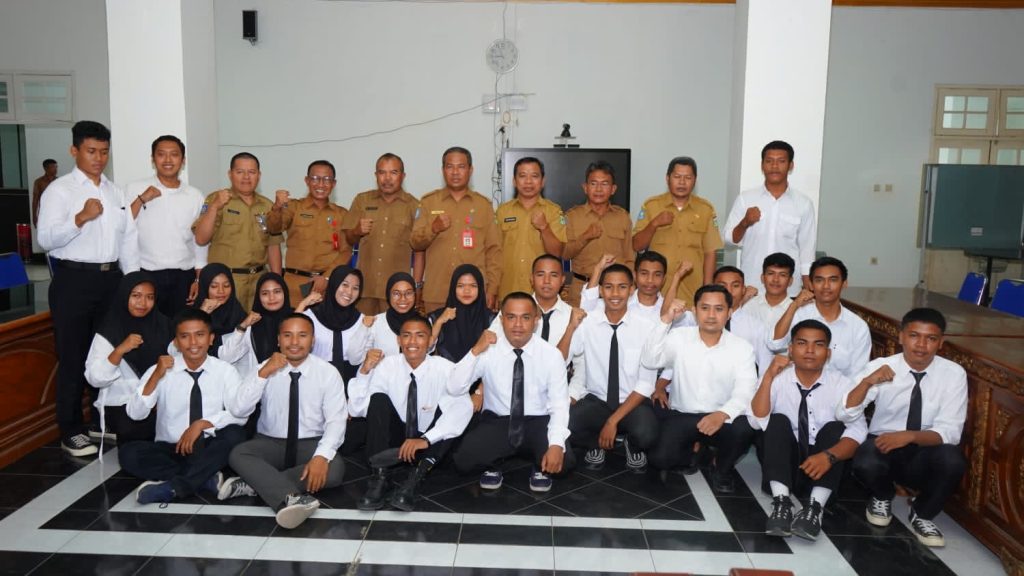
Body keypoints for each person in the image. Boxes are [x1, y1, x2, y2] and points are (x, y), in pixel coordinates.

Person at [38, 120, 140, 457]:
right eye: (91, 151)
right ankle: (70, 430)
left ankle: (100, 421)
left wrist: (133, 282)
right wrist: (79, 218)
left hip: (111, 280)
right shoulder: (60, 190)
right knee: (73, 356)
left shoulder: (115, 191)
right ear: (75, 151)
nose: (98, 158)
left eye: (104, 152)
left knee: (106, 353)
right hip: (74, 280)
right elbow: (45, 239)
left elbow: (128, 239)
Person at [840, 308, 967, 548]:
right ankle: (882, 495)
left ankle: (922, 513)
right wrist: (867, 383)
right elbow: (845, 413)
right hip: (884, 444)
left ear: (941, 342)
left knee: (952, 459)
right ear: (901, 337)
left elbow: (951, 431)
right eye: (914, 335)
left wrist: (910, 436)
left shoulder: (953, 374)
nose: (921, 345)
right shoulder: (882, 366)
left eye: (930, 338)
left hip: (925, 448)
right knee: (865, 460)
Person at [221, 314, 348, 530]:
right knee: (238, 454)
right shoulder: (265, 367)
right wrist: (263, 374)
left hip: (310, 443)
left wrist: (320, 457)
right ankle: (292, 498)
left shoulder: (328, 373)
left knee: (334, 469)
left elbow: (336, 420)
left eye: (302, 335)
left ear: (313, 340)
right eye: (288, 335)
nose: (295, 342)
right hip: (270, 442)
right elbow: (238, 410)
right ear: (278, 340)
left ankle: (257, 483)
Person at [751, 320, 866, 541]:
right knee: (776, 421)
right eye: (802, 343)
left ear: (828, 353)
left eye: (818, 344)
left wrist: (829, 457)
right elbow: (757, 421)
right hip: (783, 466)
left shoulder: (843, 384)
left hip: (824, 469)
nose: (810, 350)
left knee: (836, 427)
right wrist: (767, 378)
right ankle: (782, 503)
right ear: (791, 349)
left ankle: (815, 508)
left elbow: (858, 432)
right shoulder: (777, 377)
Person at [119, 308, 247, 505]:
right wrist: (155, 377)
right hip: (172, 449)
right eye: (185, 336)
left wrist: (201, 424)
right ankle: (204, 478)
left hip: (209, 446)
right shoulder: (160, 369)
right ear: (176, 342)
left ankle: (175, 487)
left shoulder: (225, 371)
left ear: (211, 339)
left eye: (200, 335)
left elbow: (240, 414)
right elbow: (135, 414)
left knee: (234, 435)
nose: (193, 343)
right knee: (128, 454)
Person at [449, 292, 574, 492]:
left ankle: (538, 464)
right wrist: (475, 350)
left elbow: (559, 404)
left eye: (525, 317)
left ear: (536, 320)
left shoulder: (551, 356)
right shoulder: (488, 350)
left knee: (564, 463)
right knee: (463, 461)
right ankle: (494, 463)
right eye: (511, 317)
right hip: (499, 421)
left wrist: (556, 445)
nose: (518, 325)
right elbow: (454, 387)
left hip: (538, 421)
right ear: (501, 320)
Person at [349, 315, 473, 511]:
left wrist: (427, 439)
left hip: (429, 443)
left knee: (451, 411)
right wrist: (364, 372)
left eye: (420, 336)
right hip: (396, 440)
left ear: (430, 340)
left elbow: (463, 409)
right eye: (406, 336)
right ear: (398, 340)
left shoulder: (446, 368)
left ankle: (415, 479)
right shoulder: (387, 365)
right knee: (378, 399)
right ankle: (380, 477)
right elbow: (358, 410)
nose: (412, 342)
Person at [641, 286, 757, 493]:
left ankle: (721, 468)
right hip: (683, 416)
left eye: (719, 309)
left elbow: (746, 391)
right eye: (705, 308)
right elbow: (650, 360)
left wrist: (722, 414)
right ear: (694, 311)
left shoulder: (742, 348)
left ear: (729, 313)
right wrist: (666, 320)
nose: (711, 315)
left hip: (720, 419)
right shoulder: (679, 337)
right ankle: (695, 450)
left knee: (745, 428)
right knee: (660, 459)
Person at [559, 264, 659, 473]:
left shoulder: (647, 327)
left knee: (647, 434)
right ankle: (596, 443)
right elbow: (560, 360)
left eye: (622, 287)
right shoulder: (587, 323)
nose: (615, 294)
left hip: (632, 402)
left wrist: (612, 422)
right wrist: (570, 327)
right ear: (600, 290)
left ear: (631, 290)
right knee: (565, 425)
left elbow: (646, 384)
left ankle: (632, 445)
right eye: (608, 287)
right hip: (598, 401)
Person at [125, 135, 207, 318]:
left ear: (183, 160)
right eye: (161, 154)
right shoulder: (135, 188)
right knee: (147, 328)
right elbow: (122, 226)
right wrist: (141, 199)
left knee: (181, 327)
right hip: (146, 274)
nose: (168, 160)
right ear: (153, 159)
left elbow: (200, 242)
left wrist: (198, 279)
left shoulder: (195, 195)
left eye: (174, 155)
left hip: (183, 277)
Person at [411, 147, 501, 312]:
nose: (455, 172)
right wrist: (433, 228)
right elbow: (415, 243)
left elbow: (494, 251)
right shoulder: (428, 202)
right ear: (443, 170)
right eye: (450, 166)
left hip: (473, 295)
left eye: (461, 167)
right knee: (437, 330)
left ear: (470, 170)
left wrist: (492, 289)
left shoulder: (483, 205)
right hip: (437, 293)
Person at [85, 272, 171, 444]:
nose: (143, 303)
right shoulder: (110, 329)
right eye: (136, 296)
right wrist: (120, 350)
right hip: (121, 401)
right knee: (136, 429)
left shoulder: (164, 325)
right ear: (124, 296)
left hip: (158, 397)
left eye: (149, 297)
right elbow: (95, 379)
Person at [193, 152, 283, 312]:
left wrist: (277, 281)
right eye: (240, 172)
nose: (246, 177)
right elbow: (201, 239)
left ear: (259, 175)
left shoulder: (267, 205)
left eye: (252, 172)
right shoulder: (216, 200)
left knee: (257, 325)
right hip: (227, 283)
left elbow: (273, 245)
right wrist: (214, 207)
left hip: (259, 281)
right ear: (230, 174)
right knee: (227, 325)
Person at [724, 141, 816, 296]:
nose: (774, 166)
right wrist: (745, 222)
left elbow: (807, 247)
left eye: (781, 161)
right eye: (769, 161)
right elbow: (729, 240)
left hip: (789, 287)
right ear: (762, 165)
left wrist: (807, 281)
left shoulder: (803, 203)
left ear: (791, 165)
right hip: (752, 284)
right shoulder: (745, 199)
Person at [342, 153, 424, 316]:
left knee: (393, 332)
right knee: (362, 331)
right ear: (376, 175)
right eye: (382, 172)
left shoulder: (414, 206)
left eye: (393, 172)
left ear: (403, 176)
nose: (387, 178)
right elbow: (348, 239)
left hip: (397, 292)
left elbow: (420, 251)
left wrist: (416, 286)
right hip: (365, 287)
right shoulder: (362, 200)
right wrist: (356, 231)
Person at [632, 157, 723, 303]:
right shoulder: (651, 206)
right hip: (657, 292)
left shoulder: (705, 209)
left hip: (692, 292)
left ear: (695, 180)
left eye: (688, 177)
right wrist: (654, 223)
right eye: (677, 177)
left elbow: (710, 252)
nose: (682, 182)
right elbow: (637, 245)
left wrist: (707, 290)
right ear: (667, 178)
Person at [266, 160, 353, 305]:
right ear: (307, 181)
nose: (321, 184)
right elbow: (273, 228)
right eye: (315, 178)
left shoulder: (342, 214)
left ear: (334, 183)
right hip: (293, 286)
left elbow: (345, 251)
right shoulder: (293, 207)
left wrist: (326, 278)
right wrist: (276, 207)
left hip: (325, 287)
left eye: (327, 179)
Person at [771, 256, 870, 379]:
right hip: (795, 386)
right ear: (811, 284)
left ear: (844, 283)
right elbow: (775, 345)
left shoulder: (858, 327)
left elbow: (857, 376)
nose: (826, 286)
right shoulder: (798, 314)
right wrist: (794, 305)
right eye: (819, 280)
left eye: (833, 280)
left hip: (840, 390)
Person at [562, 161, 634, 306]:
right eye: (593, 183)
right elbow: (565, 254)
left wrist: (631, 285)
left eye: (605, 184)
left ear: (613, 189)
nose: (599, 189)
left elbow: (630, 258)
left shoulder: (623, 217)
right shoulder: (572, 216)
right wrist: (585, 237)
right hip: (582, 288)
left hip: (616, 291)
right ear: (585, 187)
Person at [495, 157, 566, 298]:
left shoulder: (553, 211)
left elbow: (557, 253)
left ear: (542, 181)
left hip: (541, 294)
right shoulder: (502, 211)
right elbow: (493, 254)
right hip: (508, 289)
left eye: (534, 176)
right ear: (514, 181)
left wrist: (544, 227)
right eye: (522, 176)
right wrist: (492, 289)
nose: (528, 181)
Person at [302, 265, 364, 384]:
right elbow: (290, 332)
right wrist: (303, 304)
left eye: (355, 288)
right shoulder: (311, 317)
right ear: (334, 284)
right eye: (344, 285)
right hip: (315, 379)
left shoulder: (362, 321)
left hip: (349, 382)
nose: (349, 292)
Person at [191, 263, 257, 374]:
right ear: (204, 287)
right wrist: (202, 314)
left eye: (226, 286)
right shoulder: (191, 316)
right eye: (214, 286)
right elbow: (180, 348)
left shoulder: (239, 314)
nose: (221, 291)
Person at [427, 264, 495, 363]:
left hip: (482, 373)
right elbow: (425, 350)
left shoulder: (491, 319)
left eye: (473, 285)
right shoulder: (438, 317)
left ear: (480, 288)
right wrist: (439, 322)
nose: (467, 291)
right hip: (448, 372)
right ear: (453, 288)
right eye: (461, 286)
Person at [712, 266, 773, 372]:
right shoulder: (698, 322)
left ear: (743, 290)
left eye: (735, 286)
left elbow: (765, 366)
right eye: (722, 286)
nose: (729, 291)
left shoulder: (757, 327)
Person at [348, 272, 418, 362]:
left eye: (408, 293)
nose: (403, 298)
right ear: (388, 295)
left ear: (415, 295)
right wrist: (363, 329)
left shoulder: (423, 323)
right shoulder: (376, 322)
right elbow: (354, 359)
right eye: (396, 293)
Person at [746, 252, 796, 334]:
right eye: (771, 273)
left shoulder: (797, 310)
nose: (775, 279)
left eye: (782, 275)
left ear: (790, 281)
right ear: (762, 278)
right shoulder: (748, 305)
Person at [31, 158, 58, 228]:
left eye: (56, 167)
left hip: (58, 213)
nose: (55, 169)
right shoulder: (39, 182)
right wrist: (34, 216)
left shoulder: (59, 181)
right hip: (44, 214)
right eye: (52, 167)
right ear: (45, 168)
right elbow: (35, 200)